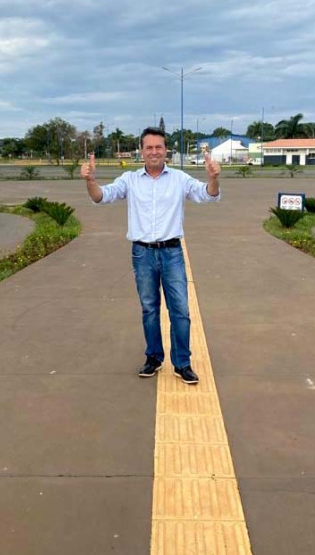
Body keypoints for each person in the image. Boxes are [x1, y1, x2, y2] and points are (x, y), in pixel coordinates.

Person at [81, 127, 221, 385]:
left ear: (166, 150)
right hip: (142, 254)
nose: (154, 151)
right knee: (149, 309)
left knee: (180, 309)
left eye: (159, 147)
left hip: (172, 253)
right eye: (149, 147)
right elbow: (102, 197)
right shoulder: (130, 179)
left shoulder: (179, 178)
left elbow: (207, 196)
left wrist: (213, 179)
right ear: (142, 151)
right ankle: (154, 358)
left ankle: (182, 363)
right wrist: (90, 181)